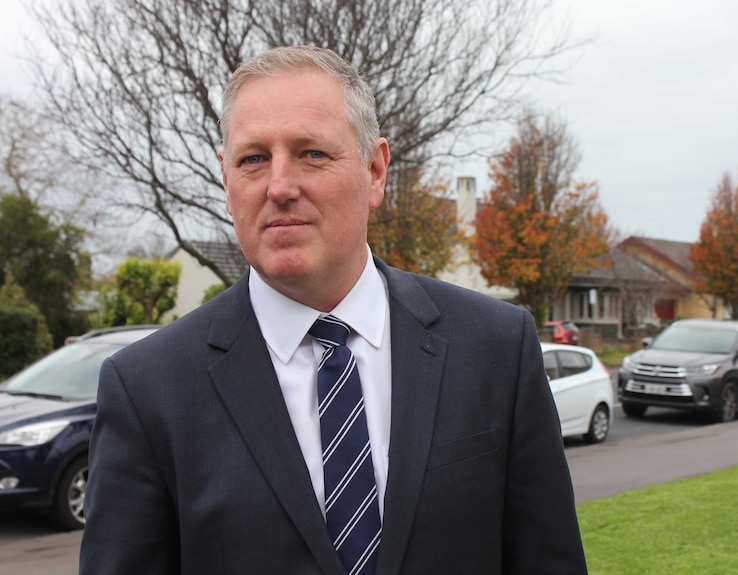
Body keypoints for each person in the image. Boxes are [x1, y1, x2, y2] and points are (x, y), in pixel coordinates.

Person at [79, 46, 589, 575]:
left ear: (374, 171)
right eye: (253, 159)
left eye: (312, 153)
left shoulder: (495, 347)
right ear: (227, 182)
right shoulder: (147, 389)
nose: (279, 186)